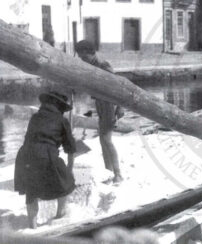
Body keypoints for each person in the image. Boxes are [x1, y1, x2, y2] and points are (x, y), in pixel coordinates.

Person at [14, 91, 76, 228]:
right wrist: (70, 170)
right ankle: (61, 214)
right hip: (46, 154)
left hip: (25, 156)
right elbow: (71, 148)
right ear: (59, 106)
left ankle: (32, 225)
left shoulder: (35, 117)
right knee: (66, 183)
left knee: (31, 190)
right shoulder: (62, 121)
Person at [75, 40, 124, 183]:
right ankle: (108, 173)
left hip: (109, 104)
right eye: (80, 58)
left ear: (90, 52)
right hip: (101, 103)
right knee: (103, 141)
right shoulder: (92, 64)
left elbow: (118, 86)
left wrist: (120, 107)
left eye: (84, 57)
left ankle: (118, 174)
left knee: (107, 140)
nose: (82, 60)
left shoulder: (103, 65)